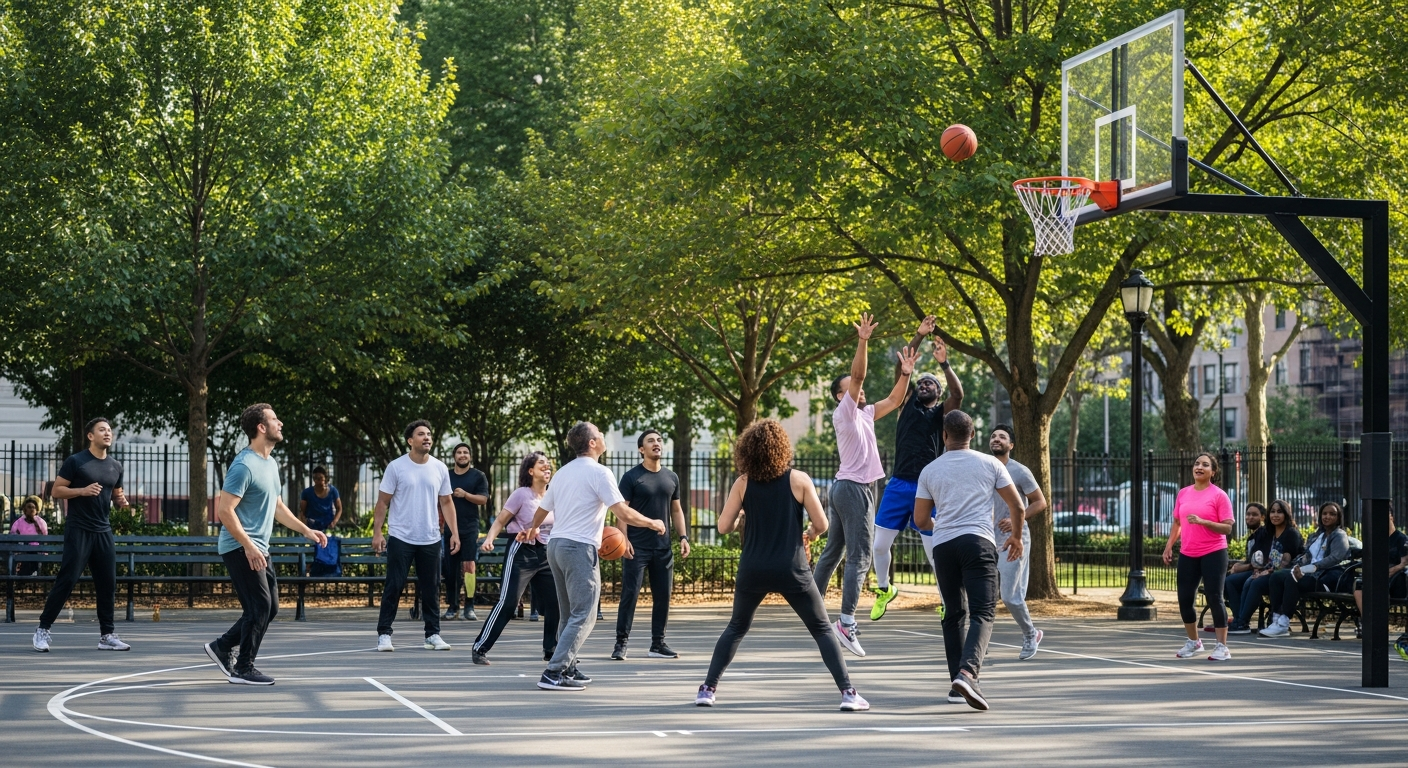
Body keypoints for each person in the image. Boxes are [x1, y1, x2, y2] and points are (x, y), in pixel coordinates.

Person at [696, 419, 868, 711]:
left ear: (747, 451)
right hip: (792, 568)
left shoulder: (743, 482)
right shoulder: (798, 479)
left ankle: (708, 688)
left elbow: (723, 527)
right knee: (823, 629)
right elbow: (822, 524)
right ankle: (848, 693)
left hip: (754, 567)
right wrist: (811, 534)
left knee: (737, 627)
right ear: (782, 448)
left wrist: (740, 515)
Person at [519, 422, 664, 691]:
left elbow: (542, 509)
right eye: (599, 433)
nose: (602, 436)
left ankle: (568, 666)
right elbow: (623, 513)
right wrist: (652, 522)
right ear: (592, 443)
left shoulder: (562, 473)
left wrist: (533, 528)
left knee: (568, 614)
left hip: (556, 546)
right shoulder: (600, 472)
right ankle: (554, 672)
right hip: (578, 548)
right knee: (585, 615)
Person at [814, 312, 921, 657]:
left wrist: (905, 374)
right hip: (854, 488)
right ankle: (846, 622)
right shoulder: (844, 412)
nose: (859, 391)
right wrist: (863, 340)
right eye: (851, 390)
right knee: (860, 557)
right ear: (840, 396)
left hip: (847, 488)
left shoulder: (866, 413)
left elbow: (893, 400)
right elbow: (858, 375)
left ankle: (811, 607)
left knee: (834, 552)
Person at [203, 404, 328, 684]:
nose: (280, 423)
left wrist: (306, 530)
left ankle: (222, 646)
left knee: (269, 608)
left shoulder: (270, 464)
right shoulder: (244, 465)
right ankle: (243, 668)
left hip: (259, 547)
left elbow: (277, 506)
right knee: (259, 606)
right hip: (239, 546)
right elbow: (225, 511)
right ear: (261, 427)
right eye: (274, 419)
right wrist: (248, 545)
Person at [912, 409, 1025, 711]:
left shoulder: (930, 470)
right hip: (978, 542)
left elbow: (921, 519)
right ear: (972, 435)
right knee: (983, 611)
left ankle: (956, 685)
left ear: (944, 436)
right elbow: (1017, 504)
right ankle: (968, 673)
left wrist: (944, 526)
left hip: (944, 546)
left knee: (953, 613)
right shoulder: (989, 463)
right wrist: (1015, 536)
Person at [870, 315, 964, 621]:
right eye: (921, 382)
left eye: (930, 383)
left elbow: (958, 395)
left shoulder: (941, 415)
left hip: (927, 488)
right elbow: (903, 369)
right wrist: (919, 335)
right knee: (880, 545)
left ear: (937, 393)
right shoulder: (906, 404)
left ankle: (947, 599)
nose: (925, 384)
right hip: (898, 484)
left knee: (933, 551)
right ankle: (885, 589)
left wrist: (945, 365)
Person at [32, 418, 132, 653]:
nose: (107, 433)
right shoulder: (76, 461)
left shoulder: (115, 466)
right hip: (79, 529)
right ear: (90, 435)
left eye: (109, 430)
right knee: (67, 579)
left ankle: (107, 635)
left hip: (103, 531)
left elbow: (117, 494)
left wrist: (123, 503)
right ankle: (42, 630)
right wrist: (82, 491)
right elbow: (56, 490)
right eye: (102, 430)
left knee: (108, 583)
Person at [372, 420, 460, 652]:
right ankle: (384, 634)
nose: (427, 437)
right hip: (401, 536)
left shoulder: (440, 468)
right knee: (394, 585)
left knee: (431, 588)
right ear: (410, 440)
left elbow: (447, 502)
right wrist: (378, 532)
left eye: (429, 434)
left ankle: (432, 634)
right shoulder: (396, 467)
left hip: (430, 537)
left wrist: (454, 533)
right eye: (421, 434)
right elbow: (383, 502)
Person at [471, 452, 560, 665]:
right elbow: (501, 519)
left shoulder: (554, 495)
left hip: (546, 554)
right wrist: (489, 539)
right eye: (541, 465)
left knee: (555, 602)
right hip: (521, 552)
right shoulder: (522, 494)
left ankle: (551, 649)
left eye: (548, 465)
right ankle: (480, 647)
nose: (547, 468)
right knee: (508, 602)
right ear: (531, 471)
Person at [613, 429, 691, 661]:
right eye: (651, 441)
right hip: (637, 547)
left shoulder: (671, 477)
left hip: (663, 548)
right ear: (641, 449)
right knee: (630, 595)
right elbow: (622, 512)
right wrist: (623, 539)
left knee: (663, 596)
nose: (656, 443)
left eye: (659, 440)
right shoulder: (631, 477)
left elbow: (676, 510)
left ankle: (657, 644)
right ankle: (621, 643)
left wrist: (683, 537)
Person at [1161, 453, 1235, 661]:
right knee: (1185, 599)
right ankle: (1194, 642)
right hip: (1188, 553)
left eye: (1205, 465)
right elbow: (1177, 523)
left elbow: (1228, 528)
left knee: (1214, 597)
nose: (1199, 467)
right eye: (1196, 464)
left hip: (1214, 552)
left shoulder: (1219, 495)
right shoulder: (1183, 493)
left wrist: (1204, 522)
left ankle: (1222, 647)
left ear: (1213, 471)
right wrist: (1169, 547)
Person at [987, 424, 1047, 660]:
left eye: (1002, 437)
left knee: (1010, 596)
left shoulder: (1019, 471)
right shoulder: (985, 468)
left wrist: (1015, 521)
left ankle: (1031, 634)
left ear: (1011, 445)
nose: (996, 439)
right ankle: (980, 643)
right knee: (982, 594)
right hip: (986, 538)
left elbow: (1040, 502)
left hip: (1014, 539)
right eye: (993, 436)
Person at [1260, 501, 1352, 638]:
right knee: (1277, 576)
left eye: (1332, 514)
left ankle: (1284, 623)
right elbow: (1305, 555)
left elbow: (1335, 558)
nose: (1327, 517)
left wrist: (1312, 567)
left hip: (1325, 578)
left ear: (1338, 518)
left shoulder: (1339, 535)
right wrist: (1296, 566)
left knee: (1293, 579)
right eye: (1324, 514)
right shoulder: (1316, 536)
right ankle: (1276, 619)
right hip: (1307, 574)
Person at [1226, 500, 1301, 634]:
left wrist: (1264, 571)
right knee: (1231, 581)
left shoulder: (1291, 534)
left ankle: (1243, 622)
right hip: (1265, 570)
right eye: (1272, 512)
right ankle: (1238, 620)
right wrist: (1258, 569)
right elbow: (1259, 557)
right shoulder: (1268, 533)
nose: (1275, 515)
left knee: (1254, 582)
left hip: (1281, 575)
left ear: (1286, 514)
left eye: (1279, 512)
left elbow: (1286, 563)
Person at [444, 443, 489, 621]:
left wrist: (466, 495)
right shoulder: (446, 476)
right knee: (450, 569)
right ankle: (452, 606)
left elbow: (483, 499)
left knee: (469, 567)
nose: (462, 455)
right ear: (454, 456)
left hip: (469, 528)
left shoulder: (478, 476)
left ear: (469, 456)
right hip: (449, 528)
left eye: (465, 452)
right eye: (459, 452)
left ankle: (469, 606)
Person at [1353, 507, 1406, 639]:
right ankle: (1369, 624)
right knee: (1359, 584)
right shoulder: (1376, 541)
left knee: (1378, 585)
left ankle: (1378, 626)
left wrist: (1391, 571)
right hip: (1378, 578)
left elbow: (1404, 563)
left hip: (1397, 580)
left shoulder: (1401, 539)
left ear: (1391, 518)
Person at [11, 496, 48, 576]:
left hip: (37, 550)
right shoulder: (18, 522)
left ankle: (30, 574)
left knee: (33, 553)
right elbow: (13, 535)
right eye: (29, 507)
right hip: (22, 550)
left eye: (34, 507)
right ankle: (25, 576)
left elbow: (45, 536)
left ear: (37, 510)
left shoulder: (41, 522)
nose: (32, 509)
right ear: (24, 509)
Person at [298, 466, 342, 533]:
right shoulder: (306, 493)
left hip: (328, 527)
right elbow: (302, 512)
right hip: (312, 527)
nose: (316, 481)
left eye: (319, 478)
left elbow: (339, 508)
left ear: (326, 479)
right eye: (315, 478)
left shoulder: (333, 491)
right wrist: (306, 529)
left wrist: (334, 522)